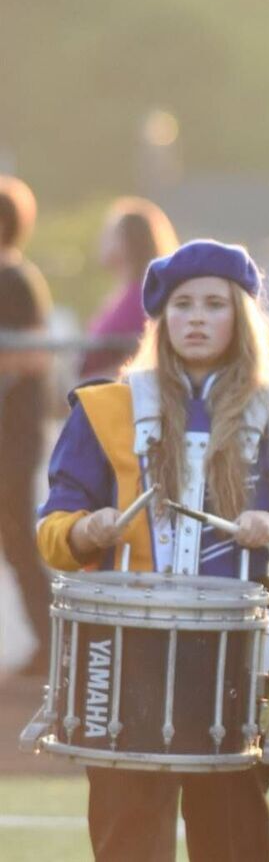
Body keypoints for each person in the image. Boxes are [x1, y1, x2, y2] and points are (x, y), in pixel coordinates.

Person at [35, 239, 269, 862]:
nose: (196, 318)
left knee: (232, 832)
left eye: (215, 304)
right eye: (182, 305)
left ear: (242, 317)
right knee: (127, 828)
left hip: (236, 644)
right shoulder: (105, 410)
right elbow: (54, 531)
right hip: (126, 643)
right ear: (160, 320)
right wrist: (88, 530)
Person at [0, 175, 55, 674]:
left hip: (13, 437)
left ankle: (52, 643)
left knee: (19, 539)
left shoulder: (17, 279)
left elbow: (36, 354)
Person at [80, 197, 178, 382]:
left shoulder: (145, 297)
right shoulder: (122, 294)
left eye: (110, 234)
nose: (101, 240)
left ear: (130, 241)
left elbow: (147, 355)